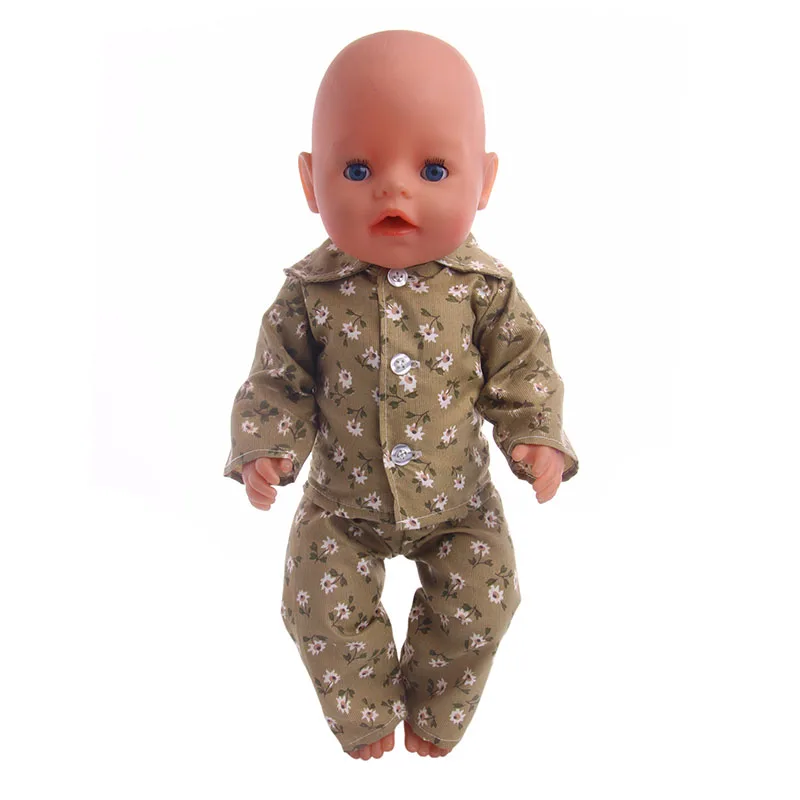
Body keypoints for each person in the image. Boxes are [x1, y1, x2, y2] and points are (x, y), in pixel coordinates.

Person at [223, 29, 579, 760]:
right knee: (314, 601)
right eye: (357, 168)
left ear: (484, 181)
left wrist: (535, 436)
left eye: (433, 168)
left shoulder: (484, 290)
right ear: (309, 181)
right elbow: (278, 377)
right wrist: (267, 447)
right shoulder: (310, 293)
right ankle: (365, 711)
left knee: (485, 597)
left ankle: (436, 710)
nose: (394, 188)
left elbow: (522, 366)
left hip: (458, 501)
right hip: (340, 502)